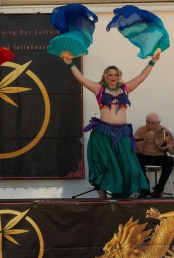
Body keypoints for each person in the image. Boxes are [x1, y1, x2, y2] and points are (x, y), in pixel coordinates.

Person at [63, 53, 160, 199]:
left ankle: (122, 191)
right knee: (105, 162)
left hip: (122, 133)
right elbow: (81, 79)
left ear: (118, 76)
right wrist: (70, 63)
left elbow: (142, 77)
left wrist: (153, 61)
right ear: (106, 77)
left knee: (127, 163)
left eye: (115, 75)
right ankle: (102, 189)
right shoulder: (99, 89)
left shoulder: (126, 89)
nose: (113, 77)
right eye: (110, 75)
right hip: (103, 132)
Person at [134, 112, 174, 198]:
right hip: (145, 156)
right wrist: (145, 139)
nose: (150, 125)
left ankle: (159, 189)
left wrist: (166, 147)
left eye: (153, 123)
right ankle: (145, 188)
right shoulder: (141, 130)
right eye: (148, 122)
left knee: (170, 161)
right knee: (136, 158)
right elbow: (134, 148)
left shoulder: (163, 130)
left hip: (159, 156)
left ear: (158, 123)